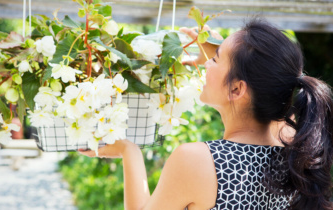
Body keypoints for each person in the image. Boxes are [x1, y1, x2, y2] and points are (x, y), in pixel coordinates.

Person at [79, 19, 333, 210]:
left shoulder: (198, 161)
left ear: (237, 88)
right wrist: (225, 56)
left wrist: (129, 150)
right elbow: (271, 81)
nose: (206, 62)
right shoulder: (295, 144)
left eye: (215, 59)